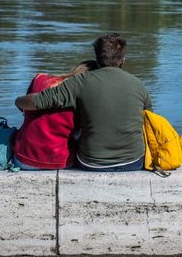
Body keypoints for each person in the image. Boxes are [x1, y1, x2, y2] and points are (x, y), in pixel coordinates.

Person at [15, 33, 152, 172]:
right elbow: (148, 121)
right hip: (134, 161)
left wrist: (18, 101)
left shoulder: (80, 82)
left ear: (97, 59)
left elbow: (39, 101)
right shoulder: (139, 84)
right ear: (123, 60)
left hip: (93, 163)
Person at [12, 60, 98, 170]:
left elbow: (25, 112)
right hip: (59, 162)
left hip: (23, 159)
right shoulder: (82, 95)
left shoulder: (39, 79)